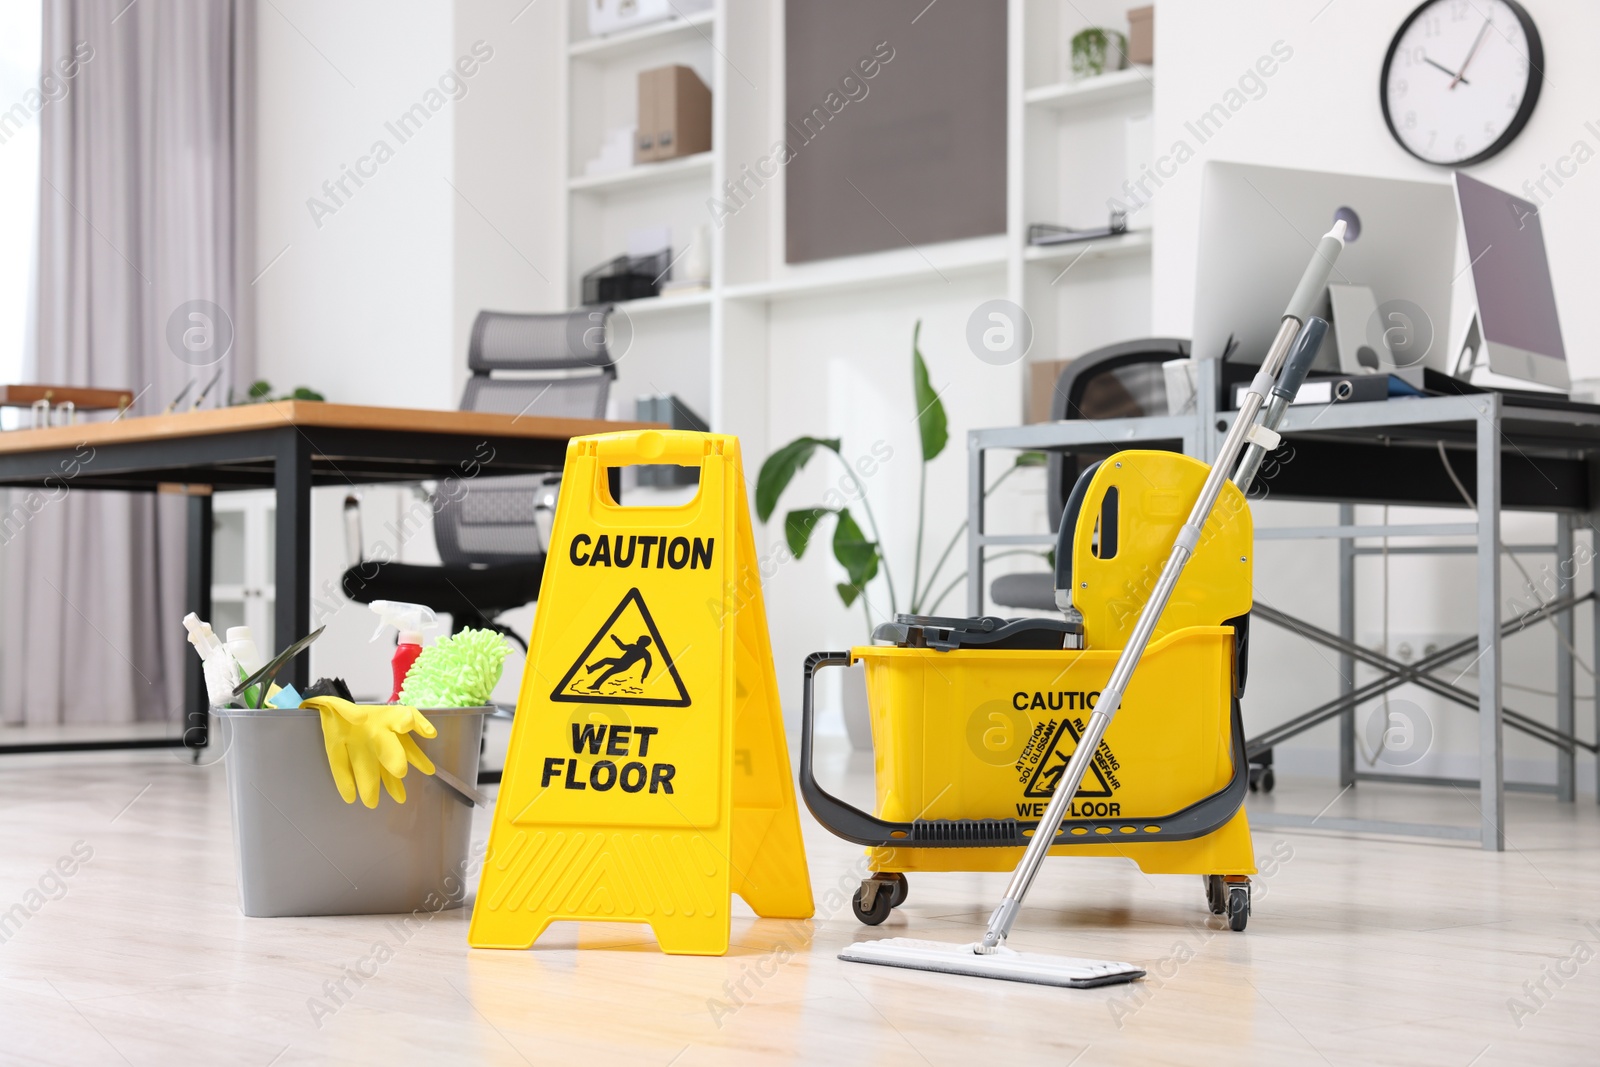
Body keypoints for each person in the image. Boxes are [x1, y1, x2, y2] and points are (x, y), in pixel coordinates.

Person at [584, 634, 653, 691]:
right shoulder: (645, 652)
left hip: (622, 663)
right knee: (607, 669)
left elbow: (622, 647)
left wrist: (615, 639)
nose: (637, 641)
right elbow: (648, 664)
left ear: (643, 643)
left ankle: (592, 673)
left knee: (607, 663)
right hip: (624, 664)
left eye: (639, 640)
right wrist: (644, 676)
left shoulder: (636, 648)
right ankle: (595, 683)